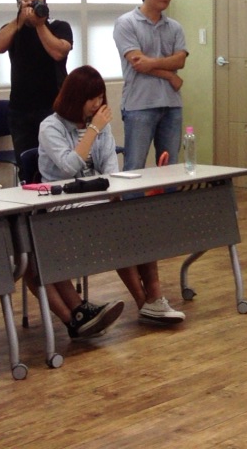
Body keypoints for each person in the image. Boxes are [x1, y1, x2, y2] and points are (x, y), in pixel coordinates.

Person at [38, 65, 184, 326]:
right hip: (62, 203)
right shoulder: (51, 126)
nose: (97, 104)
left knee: (137, 220)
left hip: (97, 199)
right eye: (91, 99)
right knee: (117, 226)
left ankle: (154, 297)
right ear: (75, 98)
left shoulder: (99, 125)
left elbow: (110, 170)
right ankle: (144, 302)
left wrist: (112, 194)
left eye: (100, 98)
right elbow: (69, 167)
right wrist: (93, 130)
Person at [113, 0, 187, 173]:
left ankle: (167, 196)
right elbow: (137, 63)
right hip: (139, 104)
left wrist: (152, 63)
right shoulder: (126, 22)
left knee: (170, 167)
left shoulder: (174, 27)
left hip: (171, 104)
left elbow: (180, 60)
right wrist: (170, 74)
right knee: (135, 166)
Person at [0, 0, 73, 158]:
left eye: (35, 3)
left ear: (45, 5)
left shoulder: (59, 26)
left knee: (57, 159)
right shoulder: (12, 28)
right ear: (18, 6)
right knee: (26, 161)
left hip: (54, 106)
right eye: (25, 3)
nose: (30, 7)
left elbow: (58, 53)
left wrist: (39, 24)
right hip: (20, 109)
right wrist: (18, 20)